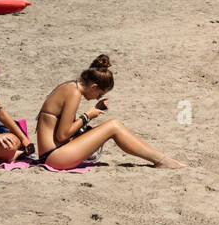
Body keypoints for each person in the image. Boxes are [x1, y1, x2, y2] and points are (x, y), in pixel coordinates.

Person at [35, 55, 185, 169]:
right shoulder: (74, 93)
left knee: (113, 125)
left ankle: (161, 159)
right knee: (114, 126)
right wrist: (87, 116)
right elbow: (62, 135)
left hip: (52, 153)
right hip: (54, 157)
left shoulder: (69, 87)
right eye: (99, 94)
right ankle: (161, 160)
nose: (96, 98)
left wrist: (92, 114)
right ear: (93, 86)